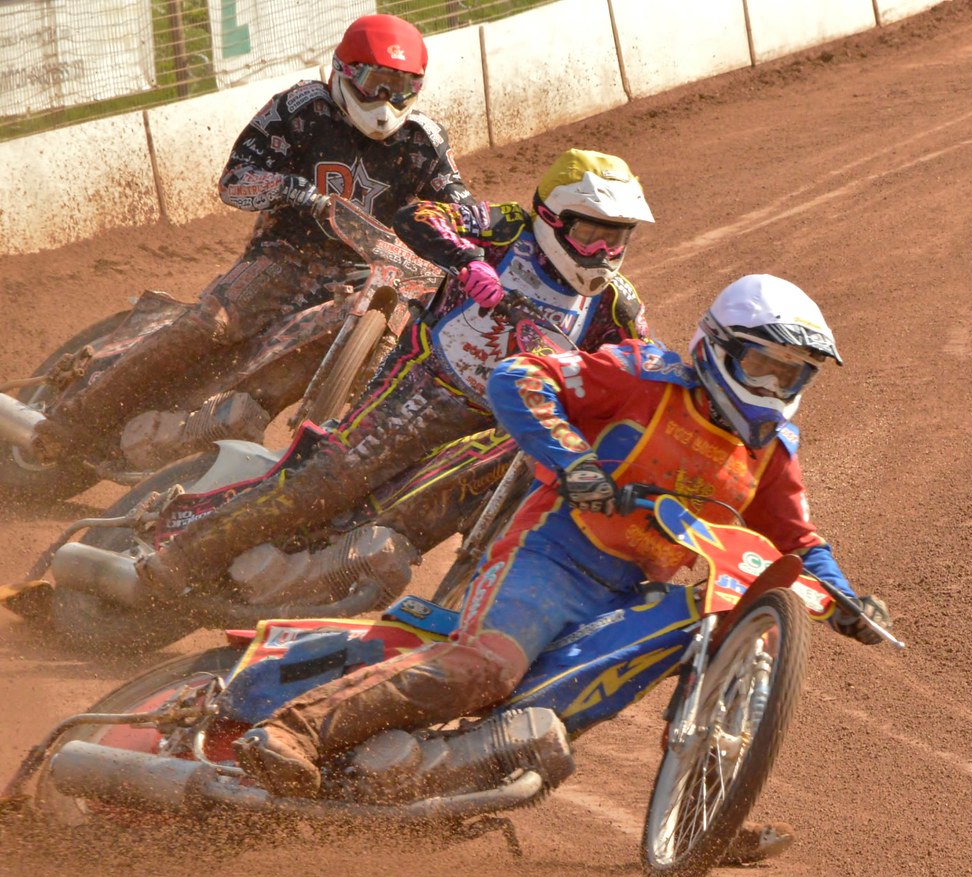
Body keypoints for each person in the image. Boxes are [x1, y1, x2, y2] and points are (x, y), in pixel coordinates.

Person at [229, 273, 892, 864]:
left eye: (794, 375)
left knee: (563, 718)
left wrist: (843, 596)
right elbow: (521, 378)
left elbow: (797, 540)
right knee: (486, 668)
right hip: (549, 556)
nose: (777, 386)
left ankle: (704, 818)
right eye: (764, 366)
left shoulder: (772, 448)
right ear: (717, 346)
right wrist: (575, 462)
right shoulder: (643, 373)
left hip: (635, 588)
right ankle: (295, 730)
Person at [135, 147, 656, 597]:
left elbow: (639, 372)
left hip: (503, 427)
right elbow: (418, 216)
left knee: (429, 518)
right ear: (554, 219)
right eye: (591, 235)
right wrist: (469, 261)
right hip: (425, 386)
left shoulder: (614, 304)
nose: (604, 252)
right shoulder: (504, 228)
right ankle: (176, 560)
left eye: (617, 239)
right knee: (323, 484)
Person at [35, 13, 472, 455]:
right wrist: (291, 189)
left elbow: (460, 204)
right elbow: (234, 179)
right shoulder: (302, 108)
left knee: (399, 351)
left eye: (402, 88)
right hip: (285, 256)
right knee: (212, 325)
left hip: (366, 276)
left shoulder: (423, 140)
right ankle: (71, 422)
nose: (386, 100)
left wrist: (481, 230)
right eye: (378, 82)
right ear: (346, 72)